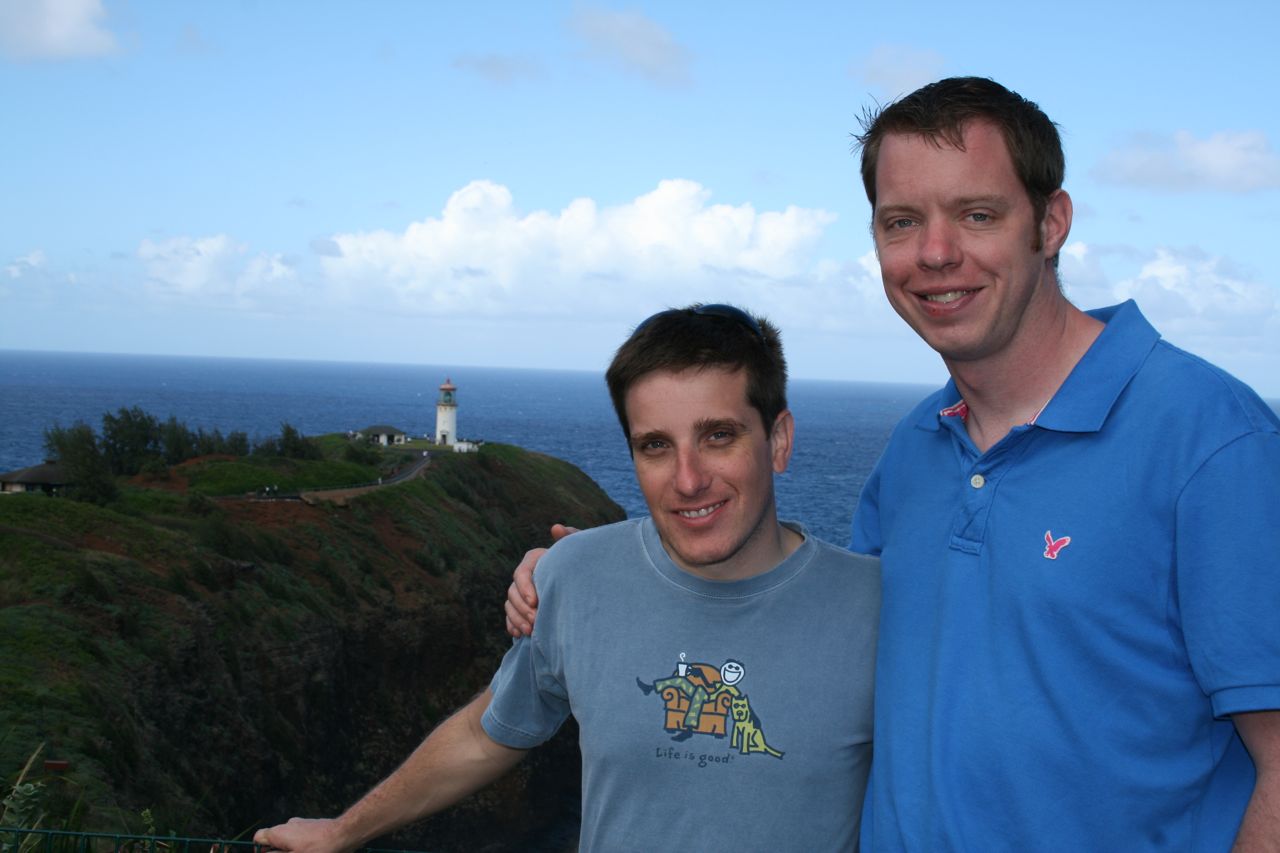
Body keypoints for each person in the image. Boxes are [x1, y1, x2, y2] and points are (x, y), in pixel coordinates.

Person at [506, 77, 1280, 850]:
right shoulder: (916, 447)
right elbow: (822, 628)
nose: (936, 253)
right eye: (902, 222)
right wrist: (592, 573)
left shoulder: (1210, 440)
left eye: (977, 214)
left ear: (1050, 223)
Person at [255, 304, 879, 852]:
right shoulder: (576, 575)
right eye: (655, 446)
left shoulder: (879, 608)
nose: (688, 480)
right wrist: (343, 832)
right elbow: (484, 736)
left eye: (718, 436)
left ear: (778, 440)